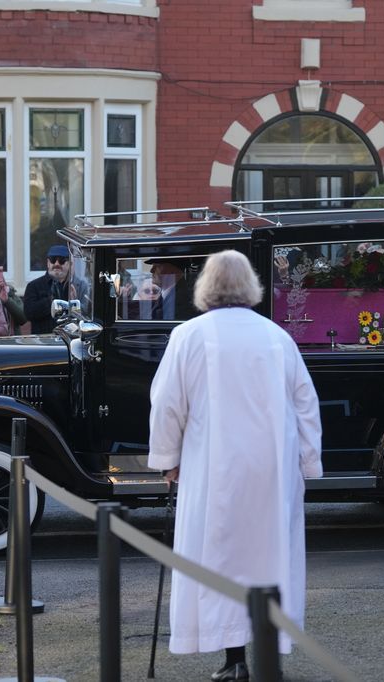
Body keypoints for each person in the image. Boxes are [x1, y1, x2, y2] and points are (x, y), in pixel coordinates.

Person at [147, 250, 322, 681]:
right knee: (267, 556)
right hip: (270, 468)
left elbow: (168, 404)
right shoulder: (276, 337)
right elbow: (306, 404)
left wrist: (167, 460)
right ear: (251, 285)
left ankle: (234, 658)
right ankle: (268, 651)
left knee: (220, 559)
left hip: (213, 466)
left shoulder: (188, 336)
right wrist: (307, 461)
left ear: (205, 285)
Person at [23, 245, 89, 334]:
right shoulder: (34, 286)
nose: (57, 264)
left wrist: (74, 303)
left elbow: (87, 314)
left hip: (71, 338)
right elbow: (28, 314)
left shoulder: (79, 286)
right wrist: (51, 301)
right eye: (53, 260)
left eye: (62, 261)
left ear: (70, 264)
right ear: (48, 263)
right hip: (44, 340)